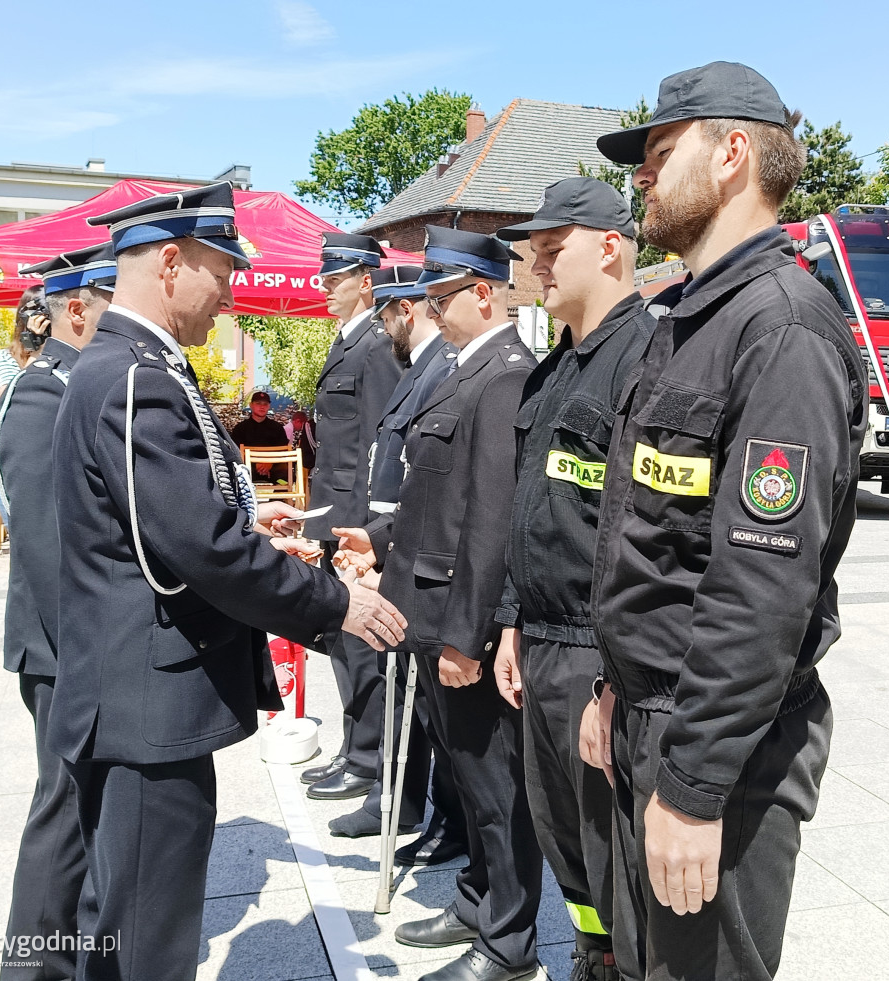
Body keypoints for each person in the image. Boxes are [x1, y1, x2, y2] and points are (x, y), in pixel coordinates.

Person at [47, 181, 406, 981]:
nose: (232, 293)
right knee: (148, 942)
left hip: (138, 697)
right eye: (223, 271)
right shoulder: (137, 377)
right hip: (146, 708)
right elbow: (200, 552)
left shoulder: (132, 367)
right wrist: (336, 603)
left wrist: (246, 523)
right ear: (171, 264)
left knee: (127, 927)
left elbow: (173, 526)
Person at [582, 62, 867, 981]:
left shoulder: (781, 327)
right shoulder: (691, 318)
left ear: (733, 152)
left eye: (662, 154)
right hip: (649, 716)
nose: (643, 176)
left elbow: (762, 588)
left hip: (718, 749)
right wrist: (612, 689)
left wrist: (696, 789)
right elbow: (656, 544)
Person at [357, 227, 542, 981]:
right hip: (426, 611)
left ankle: (509, 941)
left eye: (441, 296)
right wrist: (372, 540)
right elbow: (433, 493)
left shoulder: (502, 375)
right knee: (468, 781)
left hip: (456, 625)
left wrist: (468, 635)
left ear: (484, 292)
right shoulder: (460, 370)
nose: (431, 311)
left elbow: (489, 520)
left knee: (495, 787)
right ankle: (476, 897)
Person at [492, 178, 656, 981]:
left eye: (553, 250)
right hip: (546, 643)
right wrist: (514, 620)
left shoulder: (646, 359)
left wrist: (618, 678)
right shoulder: (555, 368)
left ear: (612, 247)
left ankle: (619, 960)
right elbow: (540, 511)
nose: (537, 266)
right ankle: (591, 954)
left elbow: (643, 540)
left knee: (612, 847)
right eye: (534, 252)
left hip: (598, 654)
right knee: (566, 844)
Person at [0, 242, 116, 980]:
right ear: (78, 309)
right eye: (112, 301)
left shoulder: (76, 383)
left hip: (76, 644)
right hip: (61, 647)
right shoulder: (43, 394)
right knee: (63, 815)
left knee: (80, 811)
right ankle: (35, 967)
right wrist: (87, 656)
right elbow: (46, 545)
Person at [327, 265, 466, 867]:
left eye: (388, 317)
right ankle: (400, 800)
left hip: (417, 559)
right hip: (392, 547)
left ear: (406, 309)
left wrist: (390, 553)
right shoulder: (424, 367)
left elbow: (433, 485)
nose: (385, 333)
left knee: (427, 705)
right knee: (402, 689)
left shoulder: (445, 367)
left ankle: (435, 814)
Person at [300, 233, 404, 802]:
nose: (325, 289)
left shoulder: (375, 347)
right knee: (342, 643)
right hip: (332, 516)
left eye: (335, 279)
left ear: (366, 281)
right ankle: (354, 746)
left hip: (354, 525)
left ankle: (370, 759)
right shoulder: (348, 343)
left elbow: (378, 449)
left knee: (362, 647)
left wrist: (367, 535)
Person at [230, 390, 290, 481]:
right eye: (258, 403)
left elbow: (283, 451)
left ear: (269, 406)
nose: (262, 407)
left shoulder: (277, 428)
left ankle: (280, 495)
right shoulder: (240, 429)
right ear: (251, 405)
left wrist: (270, 463)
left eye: (265, 404)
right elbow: (236, 452)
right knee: (239, 470)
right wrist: (255, 463)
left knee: (284, 472)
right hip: (249, 469)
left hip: (274, 469)